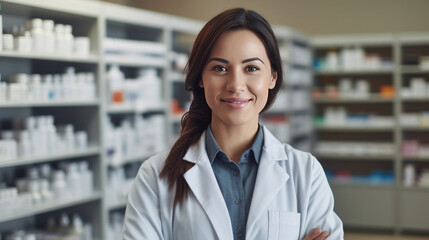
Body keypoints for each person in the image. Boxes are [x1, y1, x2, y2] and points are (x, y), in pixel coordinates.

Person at [123, 8, 344, 240]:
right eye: (220, 68)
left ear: (273, 77)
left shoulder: (306, 173)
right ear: (201, 77)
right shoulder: (155, 177)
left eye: (252, 68)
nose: (236, 84)